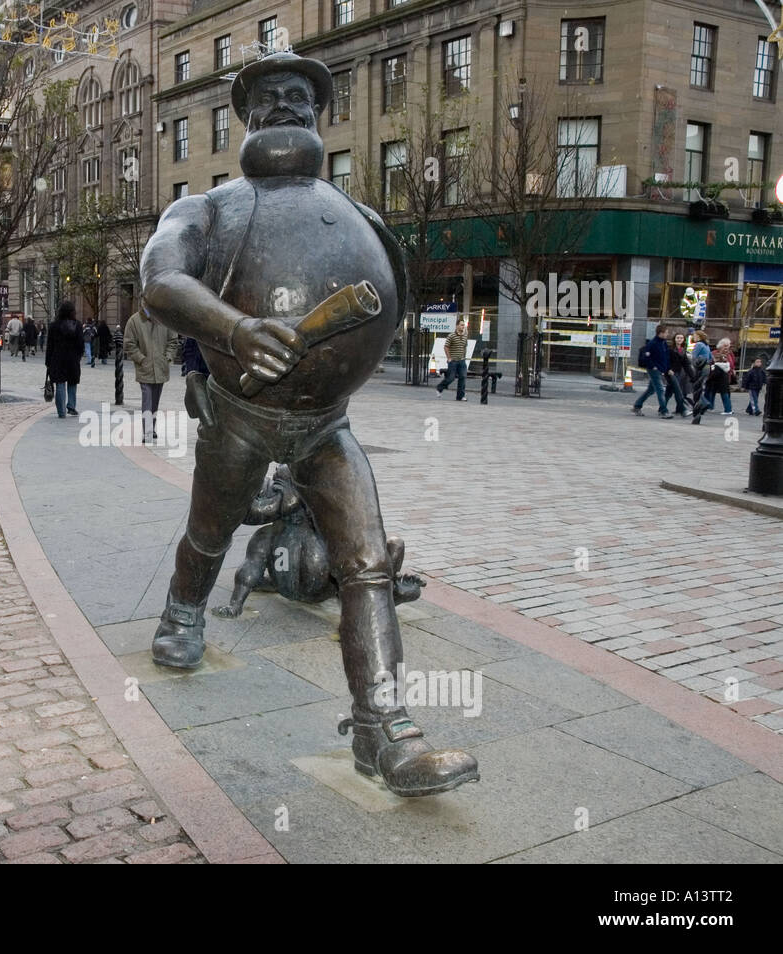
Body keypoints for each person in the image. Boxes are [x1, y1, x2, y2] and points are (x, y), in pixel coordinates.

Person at [138, 51, 477, 796]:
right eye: (271, 97)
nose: (288, 106)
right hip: (242, 416)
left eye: (302, 97)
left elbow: (391, 301)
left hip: (327, 423)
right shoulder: (208, 208)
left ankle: (383, 731)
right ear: (246, 118)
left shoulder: (363, 216)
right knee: (209, 530)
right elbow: (160, 281)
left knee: (366, 563)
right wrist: (231, 330)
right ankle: (183, 610)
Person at [123, 307, 175, 442]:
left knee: (155, 400)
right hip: (144, 368)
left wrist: (167, 357)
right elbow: (129, 344)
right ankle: (147, 431)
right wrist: (141, 359)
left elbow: (173, 341)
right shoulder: (134, 321)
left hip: (160, 367)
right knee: (147, 399)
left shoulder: (164, 319)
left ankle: (151, 428)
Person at [45, 301, 83, 419]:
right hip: (72, 359)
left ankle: (61, 412)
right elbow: (80, 344)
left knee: (60, 383)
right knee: (72, 382)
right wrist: (78, 356)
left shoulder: (54, 326)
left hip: (57, 358)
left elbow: (50, 345)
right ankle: (71, 406)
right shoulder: (77, 325)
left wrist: (48, 361)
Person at [632, 324, 674, 418]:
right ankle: (663, 410)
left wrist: (668, 368)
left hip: (660, 368)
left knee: (651, 390)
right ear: (661, 333)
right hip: (654, 369)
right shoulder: (653, 343)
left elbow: (666, 357)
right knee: (660, 389)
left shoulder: (663, 343)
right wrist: (653, 366)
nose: (667, 334)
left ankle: (637, 405)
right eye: (666, 332)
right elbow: (646, 356)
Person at [691, 337, 736, 424]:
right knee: (712, 391)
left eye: (728, 346)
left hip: (722, 377)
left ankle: (727, 409)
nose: (727, 348)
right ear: (720, 346)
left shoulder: (730, 354)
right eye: (725, 346)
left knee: (724, 393)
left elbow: (732, 364)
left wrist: (732, 370)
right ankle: (711, 406)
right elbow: (711, 362)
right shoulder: (714, 353)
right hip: (714, 377)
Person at [435, 317, 469, 401]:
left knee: (462, 377)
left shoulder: (465, 336)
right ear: (457, 326)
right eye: (461, 325)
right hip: (453, 360)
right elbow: (446, 347)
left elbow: (464, 347)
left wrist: (464, 356)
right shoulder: (451, 336)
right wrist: (449, 358)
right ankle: (439, 388)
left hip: (461, 360)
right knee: (451, 378)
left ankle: (460, 396)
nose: (463, 327)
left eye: (463, 325)